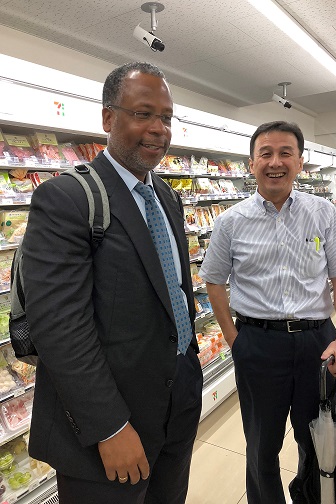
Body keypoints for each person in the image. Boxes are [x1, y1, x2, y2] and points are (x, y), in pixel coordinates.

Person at [22, 61, 203, 504]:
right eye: (143, 113)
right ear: (108, 118)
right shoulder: (66, 198)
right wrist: (109, 426)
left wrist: (190, 371)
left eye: (166, 117)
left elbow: (172, 292)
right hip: (110, 423)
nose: (159, 129)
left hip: (176, 403)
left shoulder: (166, 196)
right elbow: (60, 328)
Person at [199, 121, 336, 504]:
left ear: (300, 163)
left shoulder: (322, 213)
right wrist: (235, 340)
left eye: (285, 153)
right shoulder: (229, 222)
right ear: (251, 163)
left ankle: (311, 497)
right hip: (257, 343)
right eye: (266, 154)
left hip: (316, 343)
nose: (276, 162)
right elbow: (214, 281)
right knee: (261, 444)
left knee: (317, 439)